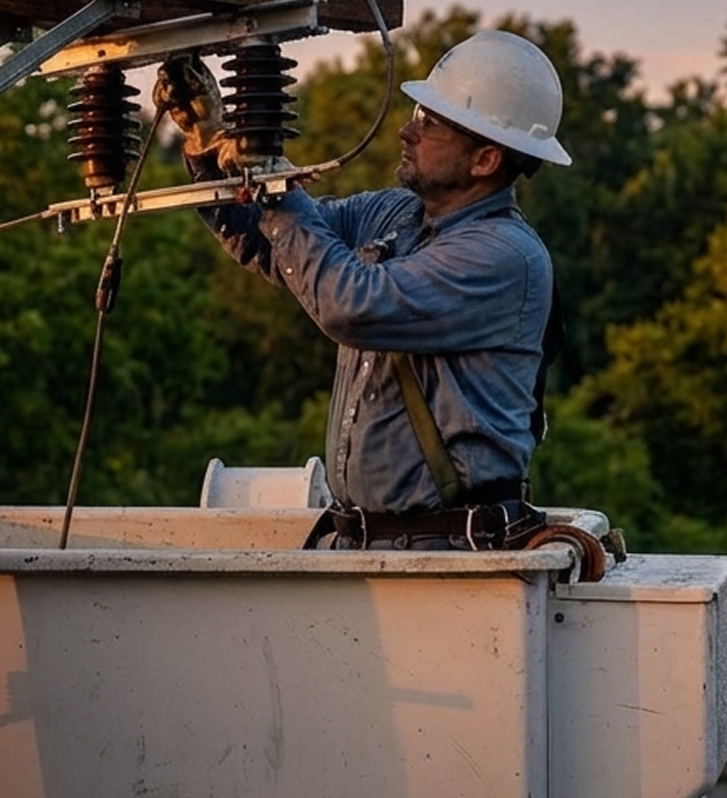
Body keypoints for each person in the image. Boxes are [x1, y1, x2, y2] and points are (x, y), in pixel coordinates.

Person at [155, 29, 571, 548]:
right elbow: (276, 246)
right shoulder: (396, 212)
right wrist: (207, 146)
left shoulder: (503, 255)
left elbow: (350, 304)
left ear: (485, 160)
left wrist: (278, 189)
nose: (406, 131)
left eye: (430, 123)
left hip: (447, 561)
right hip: (366, 547)